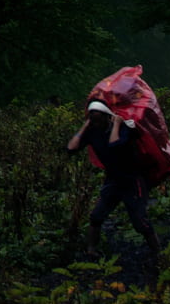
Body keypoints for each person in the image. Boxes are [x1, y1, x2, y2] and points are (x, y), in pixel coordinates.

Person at [67, 99, 162, 265]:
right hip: (113, 181)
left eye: (98, 119)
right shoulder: (92, 131)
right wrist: (85, 126)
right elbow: (71, 148)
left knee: (140, 221)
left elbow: (115, 145)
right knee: (96, 216)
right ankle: (91, 250)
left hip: (132, 180)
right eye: (92, 119)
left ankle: (159, 253)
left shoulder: (125, 129)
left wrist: (117, 124)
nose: (95, 122)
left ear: (106, 117)